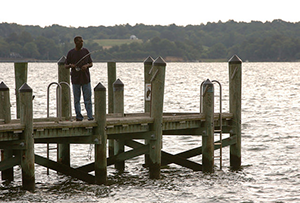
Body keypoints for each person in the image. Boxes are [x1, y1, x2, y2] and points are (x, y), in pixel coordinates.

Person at [65, 36, 94, 121]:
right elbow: (65, 65)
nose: (81, 43)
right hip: (75, 79)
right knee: (76, 99)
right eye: (80, 42)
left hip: (86, 79)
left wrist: (86, 66)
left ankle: (90, 116)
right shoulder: (71, 53)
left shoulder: (86, 51)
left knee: (88, 99)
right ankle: (79, 116)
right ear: (75, 43)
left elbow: (91, 63)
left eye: (82, 42)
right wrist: (71, 65)